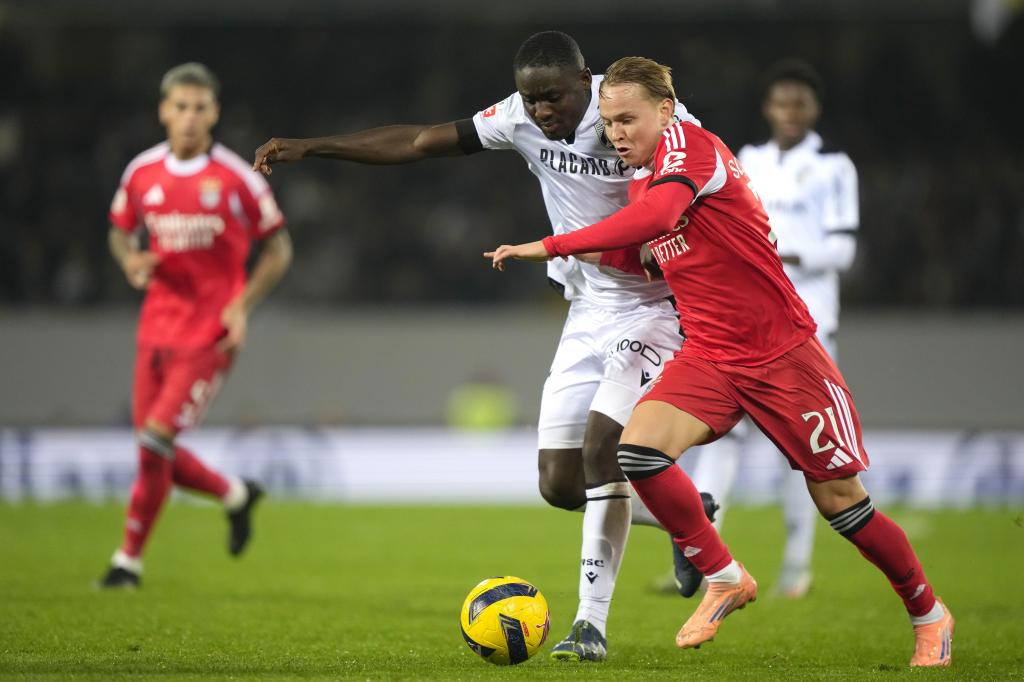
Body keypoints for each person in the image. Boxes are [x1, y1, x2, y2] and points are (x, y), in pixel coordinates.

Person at [252, 31, 723, 661]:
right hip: (587, 307)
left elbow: (699, 178)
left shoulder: (636, 111)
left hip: (656, 305)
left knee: (603, 450)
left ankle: (590, 625)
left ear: (586, 80)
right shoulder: (517, 115)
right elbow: (419, 142)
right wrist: (315, 146)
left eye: (553, 98)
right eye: (531, 101)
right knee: (558, 483)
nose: (541, 113)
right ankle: (689, 517)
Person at [486, 56, 953, 667]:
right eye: (608, 122)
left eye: (628, 119)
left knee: (840, 501)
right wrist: (577, 263)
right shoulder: (640, 175)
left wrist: (548, 243)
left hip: (781, 353)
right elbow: (646, 258)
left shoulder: (693, 147)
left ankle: (928, 613)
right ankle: (725, 575)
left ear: (666, 110)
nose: (616, 133)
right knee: (638, 453)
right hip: (709, 354)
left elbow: (655, 218)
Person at [100, 62, 292, 589]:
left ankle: (127, 562)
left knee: (156, 439)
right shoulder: (141, 172)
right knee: (150, 444)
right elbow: (119, 231)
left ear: (214, 113)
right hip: (155, 326)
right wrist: (130, 259)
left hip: (211, 330)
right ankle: (235, 493)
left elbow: (278, 247)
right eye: (180, 107)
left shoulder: (236, 178)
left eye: (199, 108)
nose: (188, 118)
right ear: (164, 111)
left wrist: (242, 305)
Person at [683, 59, 860, 599]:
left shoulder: (834, 168)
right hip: (746, 322)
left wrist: (784, 252)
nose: (790, 112)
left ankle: (796, 566)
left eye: (799, 103)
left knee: (801, 450)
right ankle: (703, 557)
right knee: (722, 436)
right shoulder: (747, 161)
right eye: (782, 103)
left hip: (807, 325)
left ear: (814, 110)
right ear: (768, 108)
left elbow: (844, 248)